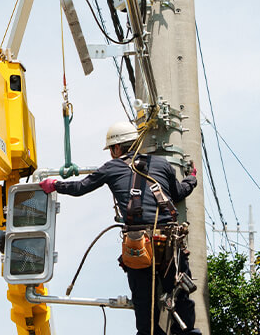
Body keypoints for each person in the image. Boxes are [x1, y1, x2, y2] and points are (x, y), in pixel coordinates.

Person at [39, 121, 201, 335]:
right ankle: (186, 332)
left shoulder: (112, 168)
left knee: (144, 302)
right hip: (169, 242)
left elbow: (80, 188)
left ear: (116, 148)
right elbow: (178, 192)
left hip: (138, 243)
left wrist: (54, 185)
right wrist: (191, 179)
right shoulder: (162, 165)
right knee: (180, 293)